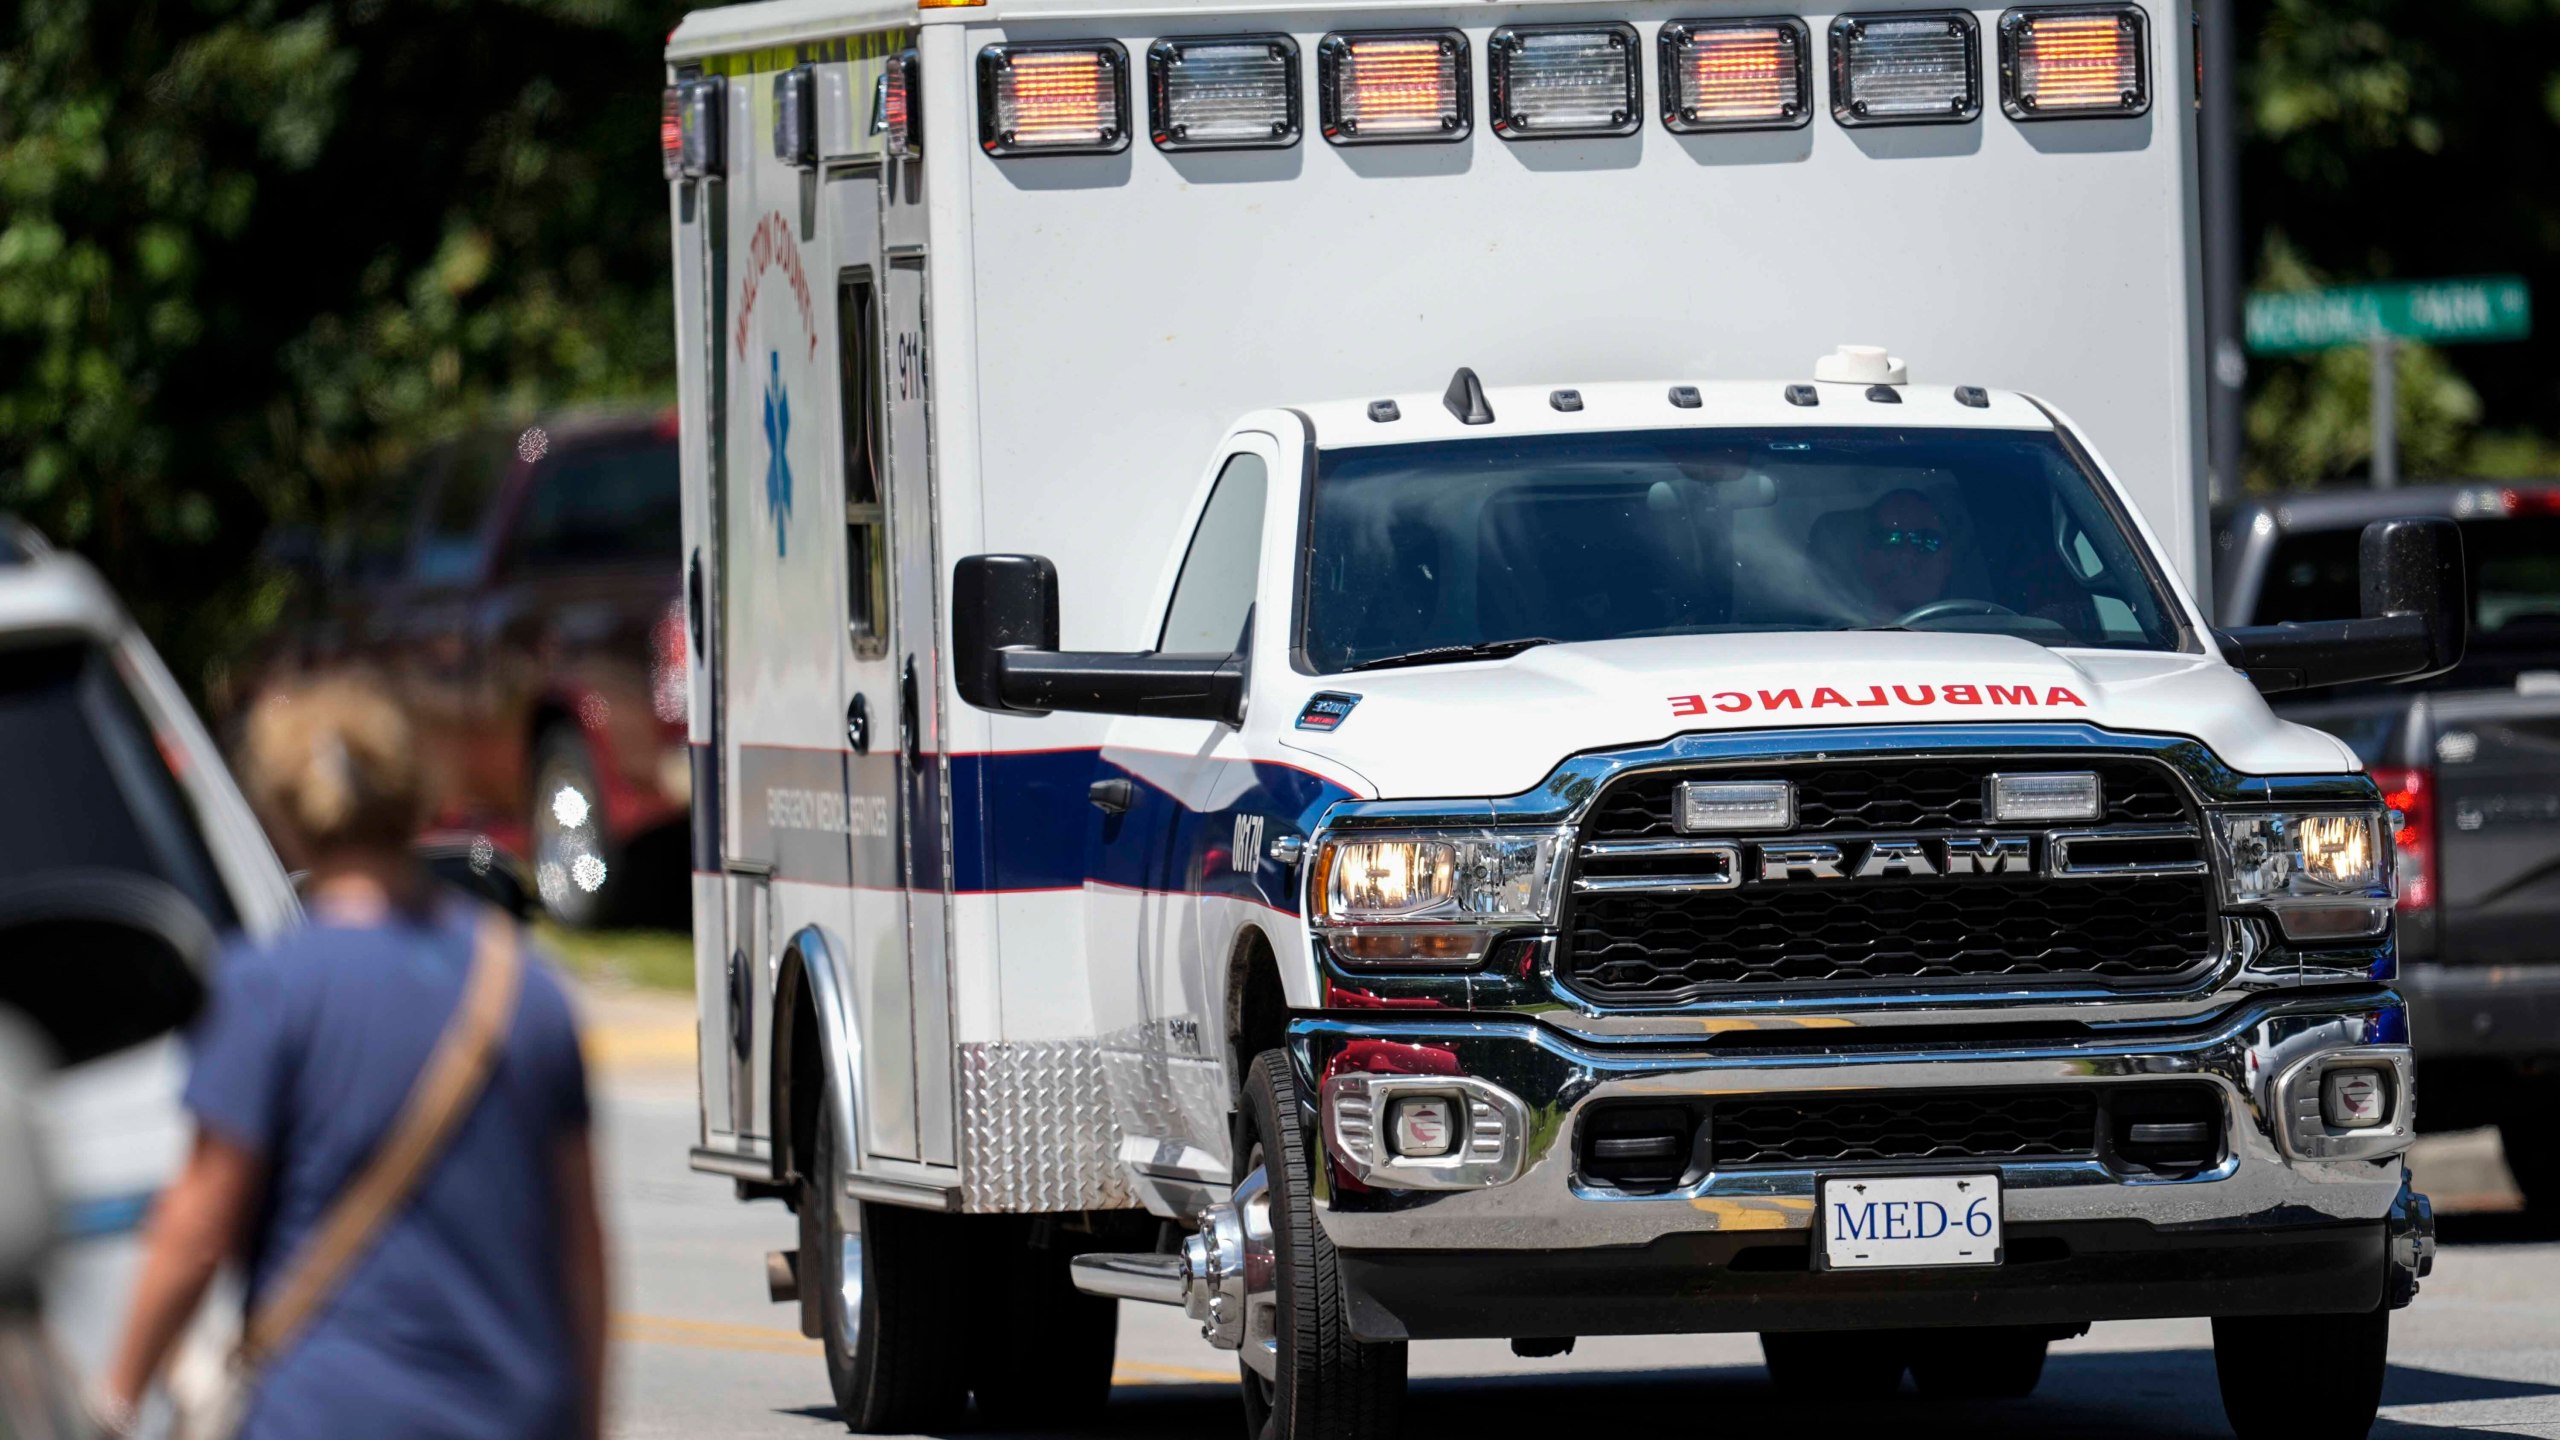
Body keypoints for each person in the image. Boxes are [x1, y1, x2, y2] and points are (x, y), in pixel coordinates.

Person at [95, 675, 606, 1440]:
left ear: (287, 815)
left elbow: (198, 1225)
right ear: (413, 800)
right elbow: (581, 1249)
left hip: (331, 1411)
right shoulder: (528, 993)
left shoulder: (267, 990)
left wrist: (118, 1396)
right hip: (510, 1413)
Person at [1857, 487, 1957, 620]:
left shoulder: (1980, 630)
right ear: (1864, 555)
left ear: (1947, 558)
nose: (1906, 555)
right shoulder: (1830, 636)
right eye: (1889, 539)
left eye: (1925, 540)